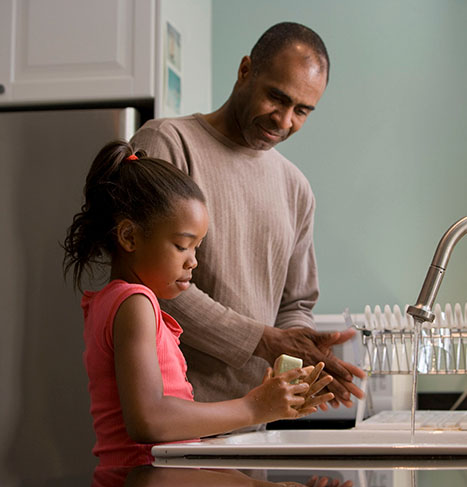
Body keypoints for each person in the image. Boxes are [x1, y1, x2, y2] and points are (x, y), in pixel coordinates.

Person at [130, 22, 365, 408]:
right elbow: (148, 281)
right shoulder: (167, 144)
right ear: (245, 71)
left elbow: (296, 304)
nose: (284, 120)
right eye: (277, 97)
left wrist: (301, 354)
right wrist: (263, 340)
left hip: (254, 419)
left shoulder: (296, 188)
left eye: (302, 110)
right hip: (172, 415)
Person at [62, 140, 334, 467]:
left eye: (197, 248)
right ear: (129, 237)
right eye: (182, 246)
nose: (193, 262)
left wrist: (266, 403)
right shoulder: (135, 303)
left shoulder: (113, 301)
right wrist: (254, 408)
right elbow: (150, 420)